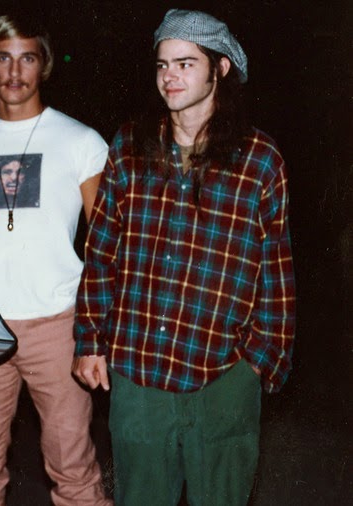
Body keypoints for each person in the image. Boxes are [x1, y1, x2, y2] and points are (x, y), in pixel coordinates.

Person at [72, 9, 295, 505]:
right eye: (162, 65)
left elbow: (275, 270)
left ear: (220, 69)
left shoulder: (260, 160)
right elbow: (102, 247)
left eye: (186, 63)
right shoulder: (130, 146)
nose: (169, 76)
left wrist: (259, 363)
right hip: (139, 369)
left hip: (224, 373)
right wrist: (89, 339)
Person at [0, 14, 111, 506]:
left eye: (27, 58)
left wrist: (99, 329)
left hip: (58, 324)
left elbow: (106, 243)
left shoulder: (82, 141)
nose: (14, 72)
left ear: (44, 66)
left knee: (72, 465)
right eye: (3, 58)